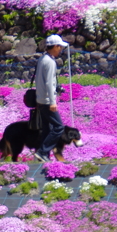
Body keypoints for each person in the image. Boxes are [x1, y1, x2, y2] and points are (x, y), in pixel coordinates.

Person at [34, 35, 67, 163]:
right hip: (47, 101)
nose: (61, 50)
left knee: (47, 129)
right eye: (60, 47)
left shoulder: (42, 59)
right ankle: (42, 152)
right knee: (59, 127)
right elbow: (48, 83)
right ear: (55, 46)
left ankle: (44, 155)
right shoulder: (50, 62)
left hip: (41, 99)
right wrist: (53, 102)